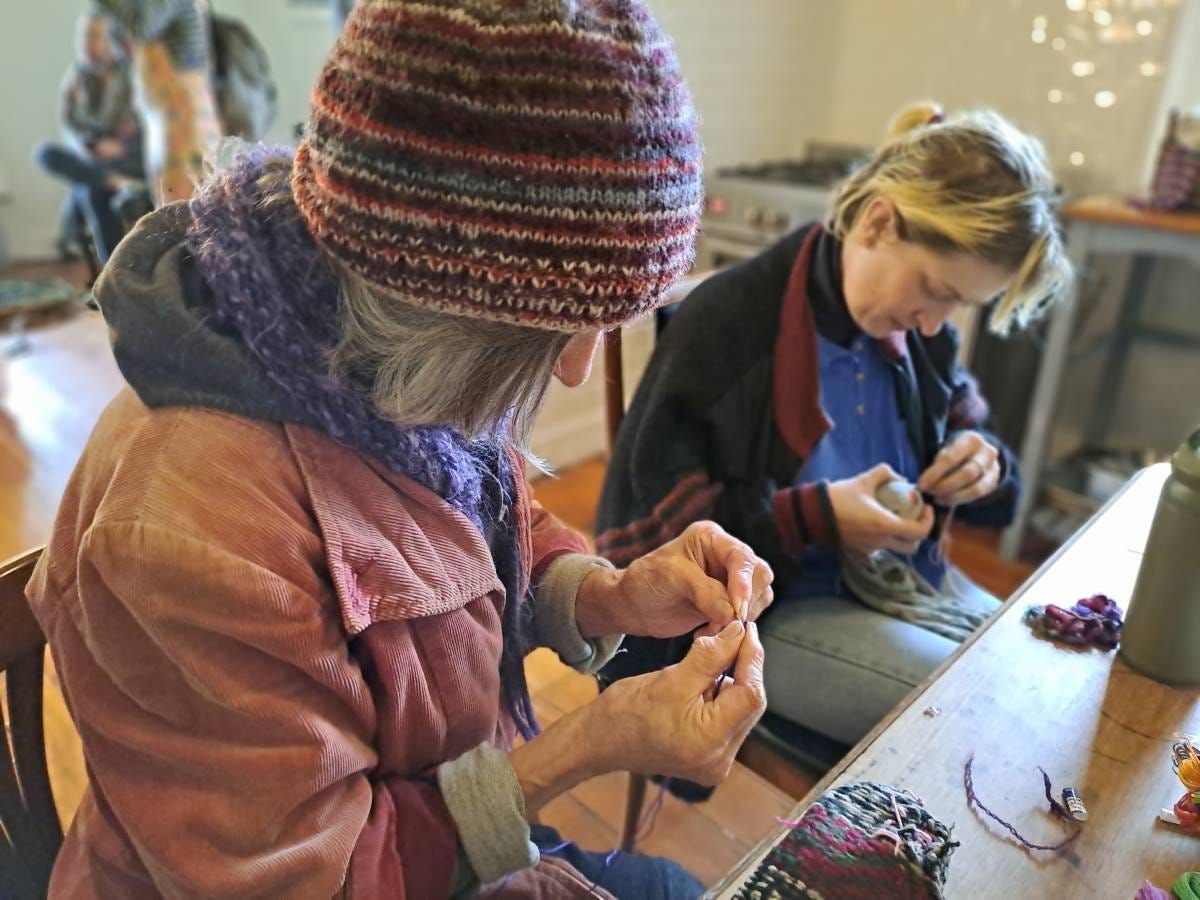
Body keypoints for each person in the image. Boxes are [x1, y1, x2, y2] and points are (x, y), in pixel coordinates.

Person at [27, 2, 774, 897]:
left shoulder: (373, 352)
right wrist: (593, 742)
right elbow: (318, 878)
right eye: (561, 333)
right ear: (444, 298)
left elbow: (464, 534)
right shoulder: (185, 528)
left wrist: (607, 596)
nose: (578, 373)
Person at [596, 102, 1071, 756]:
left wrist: (982, 460)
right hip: (771, 613)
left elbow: (983, 460)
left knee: (1051, 666)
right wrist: (812, 518)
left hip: (896, 578)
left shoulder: (912, 329)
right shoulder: (727, 325)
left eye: (960, 304)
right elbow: (647, 543)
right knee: (991, 710)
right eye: (936, 289)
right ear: (878, 222)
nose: (935, 324)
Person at [33, 13, 144, 263]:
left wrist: (120, 147)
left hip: (130, 158)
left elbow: (151, 127)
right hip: (91, 160)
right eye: (82, 36)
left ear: (112, 40)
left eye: (94, 36)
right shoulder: (75, 77)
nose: (86, 43)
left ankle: (111, 274)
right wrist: (85, 148)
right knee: (45, 154)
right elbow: (70, 128)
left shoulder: (134, 73)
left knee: (87, 185)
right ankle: (113, 182)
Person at [93, 0, 221, 203]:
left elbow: (143, 28)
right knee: (167, 182)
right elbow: (122, 48)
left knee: (188, 185)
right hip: (162, 107)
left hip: (181, 102)